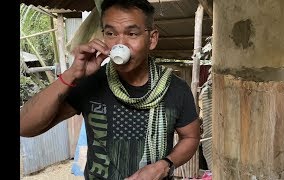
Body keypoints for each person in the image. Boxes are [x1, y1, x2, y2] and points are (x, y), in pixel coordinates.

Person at [20, 0, 200, 179]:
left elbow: (190, 138)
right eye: (111, 33)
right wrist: (71, 74)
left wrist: (165, 164)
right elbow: (25, 126)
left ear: (152, 39)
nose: (120, 44)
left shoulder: (175, 88)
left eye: (132, 33)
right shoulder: (90, 82)